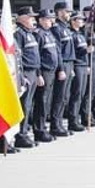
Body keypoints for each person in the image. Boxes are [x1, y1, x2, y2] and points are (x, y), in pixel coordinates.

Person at [11, 5, 40, 148]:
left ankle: (25, 133)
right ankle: (20, 136)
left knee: (29, 105)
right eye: (30, 17)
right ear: (22, 19)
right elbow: (18, 58)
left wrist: (38, 74)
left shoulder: (30, 33)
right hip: (26, 73)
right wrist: (22, 76)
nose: (33, 20)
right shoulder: (19, 34)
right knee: (24, 105)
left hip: (33, 72)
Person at [33, 10, 61, 142]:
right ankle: (39, 131)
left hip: (51, 71)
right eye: (49, 19)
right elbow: (37, 56)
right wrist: (38, 74)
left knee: (47, 102)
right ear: (41, 20)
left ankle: (44, 128)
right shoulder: (38, 34)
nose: (52, 21)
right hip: (44, 71)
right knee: (41, 102)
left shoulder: (49, 33)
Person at [51, 3, 75, 135]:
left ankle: (60, 124)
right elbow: (58, 51)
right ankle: (55, 126)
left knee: (65, 96)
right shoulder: (56, 29)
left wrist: (71, 66)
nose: (69, 14)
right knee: (59, 97)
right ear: (60, 12)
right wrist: (61, 68)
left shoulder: (66, 28)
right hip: (63, 64)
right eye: (67, 12)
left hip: (69, 64)